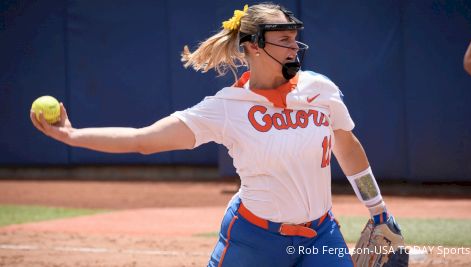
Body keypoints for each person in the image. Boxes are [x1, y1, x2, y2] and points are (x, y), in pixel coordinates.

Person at [31, 3, 403, 267]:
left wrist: (379, 211)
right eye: (285, 39)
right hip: (255, 240)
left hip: (322, 235)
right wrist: (72, 136)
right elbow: (142, 140)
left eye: (295, 39)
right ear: (255, 46)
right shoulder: (227, 107)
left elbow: (347, 146)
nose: (295, 47)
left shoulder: (320, 89)